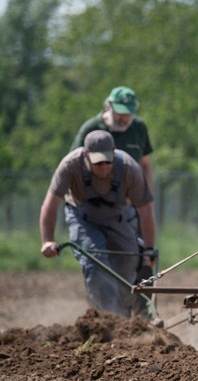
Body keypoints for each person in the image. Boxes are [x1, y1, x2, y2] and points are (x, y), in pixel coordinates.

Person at [40, 130, 157, 319]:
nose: (103, 166)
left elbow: (145, 210)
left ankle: (125, 317)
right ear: (86, 155)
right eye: (97, 162)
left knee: (129, 263)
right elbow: (51, 204)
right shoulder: (70, 165)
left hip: (118, 218)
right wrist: (47, 240)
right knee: (96, 264)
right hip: (83, 220)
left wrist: (149, 249)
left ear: (114, 152)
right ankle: (109, 320)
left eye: (107, 161)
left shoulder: (129, 167)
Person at [71, 86, 154, 188]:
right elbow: (73, 164)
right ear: (108, 107)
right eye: (120, 113)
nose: (124, 118)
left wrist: (147, 194)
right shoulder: (91, 128)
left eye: (128, 113)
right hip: (93, 196)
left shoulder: (139, 128)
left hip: (129, 197)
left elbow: (145, 163)